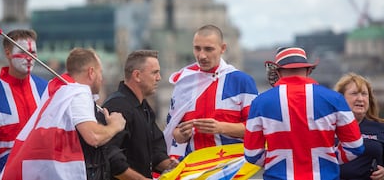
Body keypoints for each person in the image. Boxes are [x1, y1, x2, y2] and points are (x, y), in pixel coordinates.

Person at [0, 48, 126, 180]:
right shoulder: (78, 92)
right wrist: (115, 125)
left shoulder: (59, 90)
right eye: (101, 73)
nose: (102, 79)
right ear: (91, 72)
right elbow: (93, 136)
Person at [244, 46, 365, 180]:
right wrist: (328, 158)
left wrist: (277, 162)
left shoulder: (260, 102)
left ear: (278, 72)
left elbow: (252, 153)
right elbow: (355, 147)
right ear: (308, 70)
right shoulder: (335, 99)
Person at [164, 24, 259, 159]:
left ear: (223, 48)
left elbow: (256, 129)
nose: (202, 55)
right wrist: (181, 134)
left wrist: (221, 128)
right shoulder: (184, 83)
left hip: (232, 167)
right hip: (195, 168)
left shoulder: (242, 81)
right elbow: (174, 133)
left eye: (209, 49)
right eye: (197, 49)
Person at [102, 50, 177, 180]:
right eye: (154, 72)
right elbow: (111, 158)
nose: (159, 78)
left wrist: (173, 166)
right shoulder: (118, 107)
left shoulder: (145, 108)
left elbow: (155, 150)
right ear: (137, 76)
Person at [0, 29, 48, 179]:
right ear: (8, 53)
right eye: (24, 52)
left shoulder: (45, 89)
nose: (30, 58)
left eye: (33, 52)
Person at [334, 73, 384, 180]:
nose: (360, 98)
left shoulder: (380, 127)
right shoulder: (328, 127)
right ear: (341, 98)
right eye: (354, 93)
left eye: (364, 94)